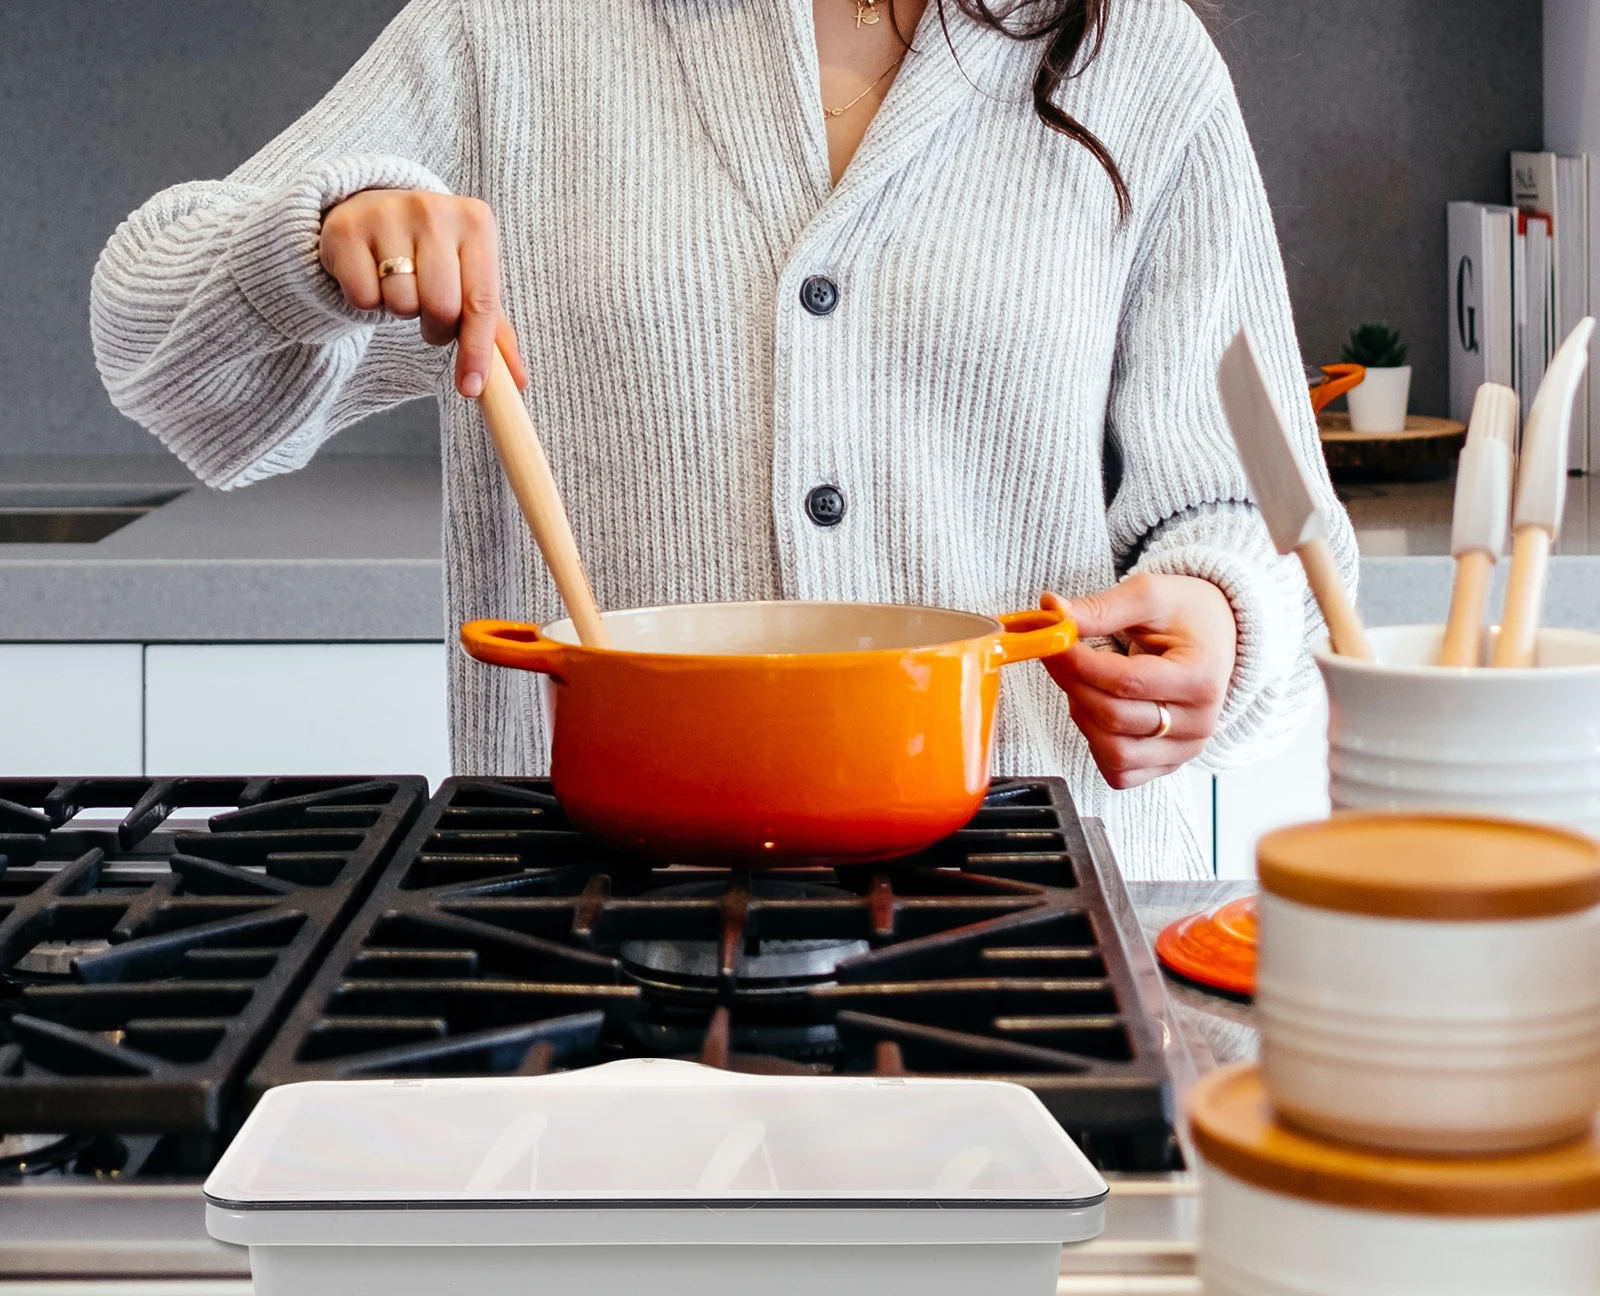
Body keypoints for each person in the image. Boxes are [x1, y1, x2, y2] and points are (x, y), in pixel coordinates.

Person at [91, 0, 1354, 879]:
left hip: (1033, 927)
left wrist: (1218, 623)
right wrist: (317, 240)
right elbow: (157, 355)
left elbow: (1265, 526)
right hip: (585, 926)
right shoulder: (505, 34)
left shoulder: (1139, 60)